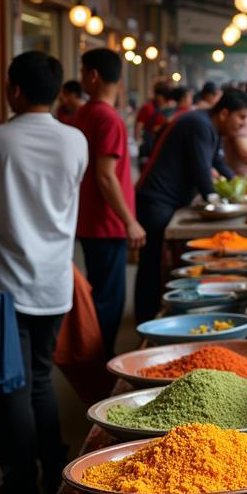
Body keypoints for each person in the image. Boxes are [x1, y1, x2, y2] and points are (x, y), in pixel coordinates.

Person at [0, 52, 88, 494]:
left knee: (9, 385)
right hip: (53, 281)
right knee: (40, 376)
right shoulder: (75, 140)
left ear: (14, 90)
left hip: (2, 282)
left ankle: (20, 485)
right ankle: (52, 467)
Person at [134, 89, 247, 324]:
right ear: (224, 113)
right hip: (157, 201)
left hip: (168, 201)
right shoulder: (198, 124)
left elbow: (216, 161)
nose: (242, 124)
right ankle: (146, 320)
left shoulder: (210, 126)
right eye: (241, 117)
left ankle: (151, 315)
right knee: (152, 264)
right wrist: (215, 199)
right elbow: (201, 169)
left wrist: (241, 187)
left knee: (157, 263)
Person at [74, 48, 146, 359]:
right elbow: (106, 176)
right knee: (108, 300)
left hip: (91, 221)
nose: (80, 78)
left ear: (93, 75)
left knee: (100, 295)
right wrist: (129, 220)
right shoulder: (107, 118)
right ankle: (100, 363)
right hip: (107, 224)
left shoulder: (84, 114)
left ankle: (97, 357)